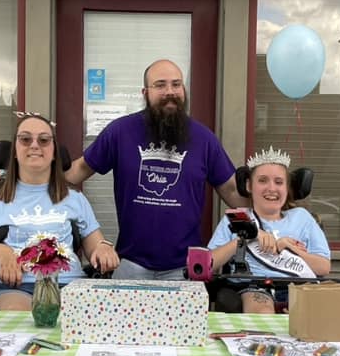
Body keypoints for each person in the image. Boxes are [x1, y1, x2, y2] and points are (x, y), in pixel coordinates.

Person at [65, 59, 247, 279]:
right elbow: (79, 170)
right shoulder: (120, 133)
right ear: (145, 92)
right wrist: (35, 176)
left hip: (186, 267)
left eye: (176, 84)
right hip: (130, 264)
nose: (169, 91)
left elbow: (230, 190)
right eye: (160, 85)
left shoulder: (204, 139)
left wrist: (274, 207)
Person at [0, 113, 119, 310]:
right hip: (11, 287)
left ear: (53, 152)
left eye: (43, 140)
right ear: (15, 151)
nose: (34, 145)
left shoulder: (75, 199)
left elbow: (96, 247)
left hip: (68, 285)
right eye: (25, 139)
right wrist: (1, 251)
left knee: (87, 314)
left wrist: (103, 248)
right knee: (21, 313)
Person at [207, 147, 331, 314]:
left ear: (287, 188)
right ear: (249, 185)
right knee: (262, 310)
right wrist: (246, 238)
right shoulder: (237, 218)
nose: (271, 188)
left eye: (279, 182)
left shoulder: (302, 218)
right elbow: (209, 263)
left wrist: (288, 247)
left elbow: (323, 267)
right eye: (263, 180)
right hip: (253, 287)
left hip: (298, 287)